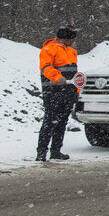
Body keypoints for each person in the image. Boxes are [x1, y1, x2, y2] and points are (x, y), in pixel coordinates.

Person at [37, 27, 80, 161]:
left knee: (61, 122)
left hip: (68, 92)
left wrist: (76, 91)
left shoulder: (72, 52)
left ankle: (56, 151)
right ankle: (41, 152)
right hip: (53, 92)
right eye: (72, 39)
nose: (73, 42)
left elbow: (74, 75)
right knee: (50, 121)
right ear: (66, 38)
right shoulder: (49, 49)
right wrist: (57, 78)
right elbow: (45, 67)